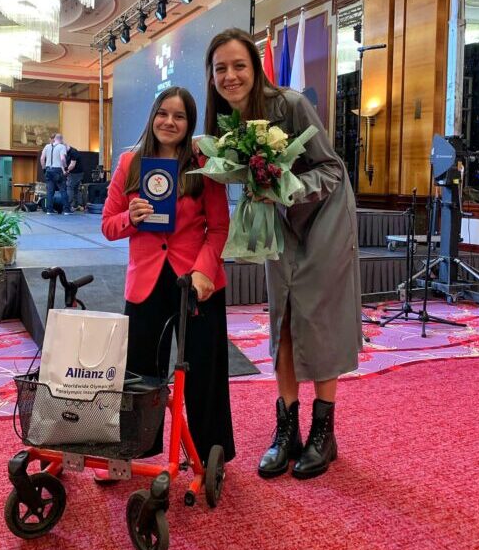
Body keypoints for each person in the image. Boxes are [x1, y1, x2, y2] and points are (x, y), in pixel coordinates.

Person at [204, 28, 361, 479]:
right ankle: (287, 428)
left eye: (239, 66)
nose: (231, 76)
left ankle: (323, 433)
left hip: (324, 217)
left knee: (320, 319)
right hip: (279, 222)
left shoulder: (290, 104)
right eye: (221, 68)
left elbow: (331, 168)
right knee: (283, 318)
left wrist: (283, 187)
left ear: (255, 68)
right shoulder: (226, 121)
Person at [102, 86, 235, 464]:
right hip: (146, 282)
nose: (169, 122)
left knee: (204, 371)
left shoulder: (204, 165)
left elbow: (219, 228)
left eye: (179, 116)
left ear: (189, 124)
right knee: (138, 375)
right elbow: (108, 225)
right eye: (163, 113)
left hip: (197, 282)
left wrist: (203, 271)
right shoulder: (129, 162)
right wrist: (131, 218)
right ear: (153, 117)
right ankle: (134, 450)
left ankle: (210, 454)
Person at [40, 133, 73, 215]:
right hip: (58, 170)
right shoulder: (62, 147)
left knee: (50, 191)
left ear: (54, 139)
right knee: (63, 190)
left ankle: (49, 210)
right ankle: (66, 210)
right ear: (61, 139)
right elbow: (62, 159)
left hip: (48, 170)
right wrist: (65, 168)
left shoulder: (47, 146)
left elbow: (42, 159)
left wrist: (44, 169)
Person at [65, 144, 86, 211]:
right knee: (76, 189)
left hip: (75, 173)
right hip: (78, 173)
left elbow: (72, 165)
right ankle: (78, 205)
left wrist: (67, 171)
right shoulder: (70, 151)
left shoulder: (73, 152)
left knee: (70, 188)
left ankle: (68, 206)